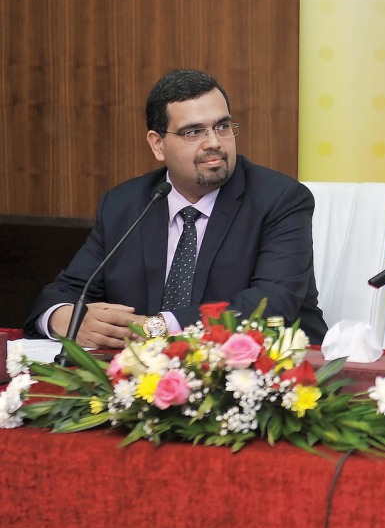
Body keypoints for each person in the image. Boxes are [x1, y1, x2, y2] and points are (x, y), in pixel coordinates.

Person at [24, 69, 327, 347]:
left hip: (270, 380)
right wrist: (65, 318)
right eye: (193, 132)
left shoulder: (280, 199)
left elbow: (271, 304)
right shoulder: (124, 205)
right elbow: (64, 291)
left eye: (222, 127)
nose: (214, 143)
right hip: (147, 384)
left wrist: (158, 327)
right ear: (157, 145)